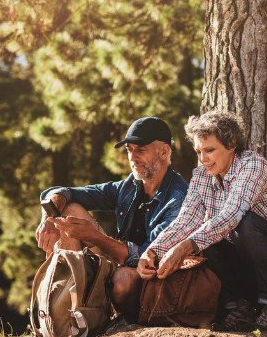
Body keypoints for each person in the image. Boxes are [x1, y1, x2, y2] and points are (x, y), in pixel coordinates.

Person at [136, 110, 267, 332]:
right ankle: (238, 308)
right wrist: (154, 251)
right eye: (198, 151)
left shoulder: (253, 165)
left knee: (245, 222)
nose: (203, 159)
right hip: (249, 273)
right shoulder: (201, 176)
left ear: (231, 144)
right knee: (204, 236)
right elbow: (186, 221)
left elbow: (231, 216)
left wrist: (183, 248)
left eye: (210, 150)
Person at [35, 116, 188, 318]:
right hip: (120, 267)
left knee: (122, 279)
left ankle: (99, 315)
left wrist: (95, 237)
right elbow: (64, 191)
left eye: (140, 150)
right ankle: (64, 314)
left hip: (153, 277)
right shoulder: (129, 186)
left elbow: (150, 255)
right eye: (129, 150)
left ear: (164, 151)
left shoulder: (178, 198)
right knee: (68, 209)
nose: (132, 158)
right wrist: (48, 216)